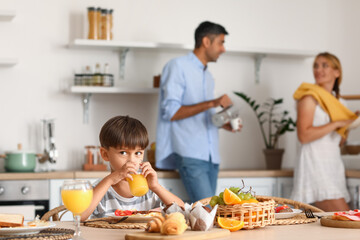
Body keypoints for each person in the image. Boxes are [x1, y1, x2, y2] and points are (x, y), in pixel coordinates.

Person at [155, 21, 242, 203]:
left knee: (212, 211)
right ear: (206, 42)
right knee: (208, 211)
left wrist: (222, 123)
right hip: (190, 154)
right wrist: (213, 102)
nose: (223, 49)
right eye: (221, 42)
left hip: (211, 157)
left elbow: (200, 114)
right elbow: (171, 112)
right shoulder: (177, 67)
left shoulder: (208, 76)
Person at [81, 115, 184, 220]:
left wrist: (156, 187)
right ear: (105, 154)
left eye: (138, 153)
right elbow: (79, 216)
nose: (132, 161)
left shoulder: (150, 190)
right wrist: (110, 180)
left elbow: (183, 211)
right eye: (123, 152)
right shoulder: (100, 189)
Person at [291, 52, 358, 211]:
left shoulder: (340, 102)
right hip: (314, 167)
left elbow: (338, 141)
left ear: (337, 72)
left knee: (319, 226)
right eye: (316, 65)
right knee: (345, 222)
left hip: (333, 168)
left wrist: (349, 125)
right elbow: (304, 136)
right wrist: (336, 123)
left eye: (324, 65)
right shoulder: (309, 98)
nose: (318, 69)